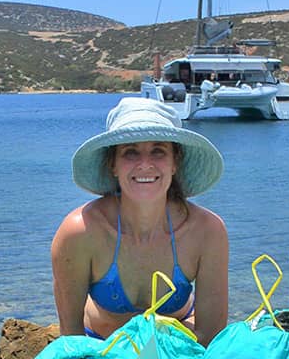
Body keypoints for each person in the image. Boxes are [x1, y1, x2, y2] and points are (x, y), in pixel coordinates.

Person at [52, 97, 228, 346]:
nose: (145, 164)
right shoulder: (80, 232)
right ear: (112, 164)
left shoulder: (207, 231)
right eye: (130, 152)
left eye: (158, 151)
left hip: (177, 349)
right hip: (101, 346)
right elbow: (71, 337)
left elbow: (210, 336)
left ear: (175, 162)